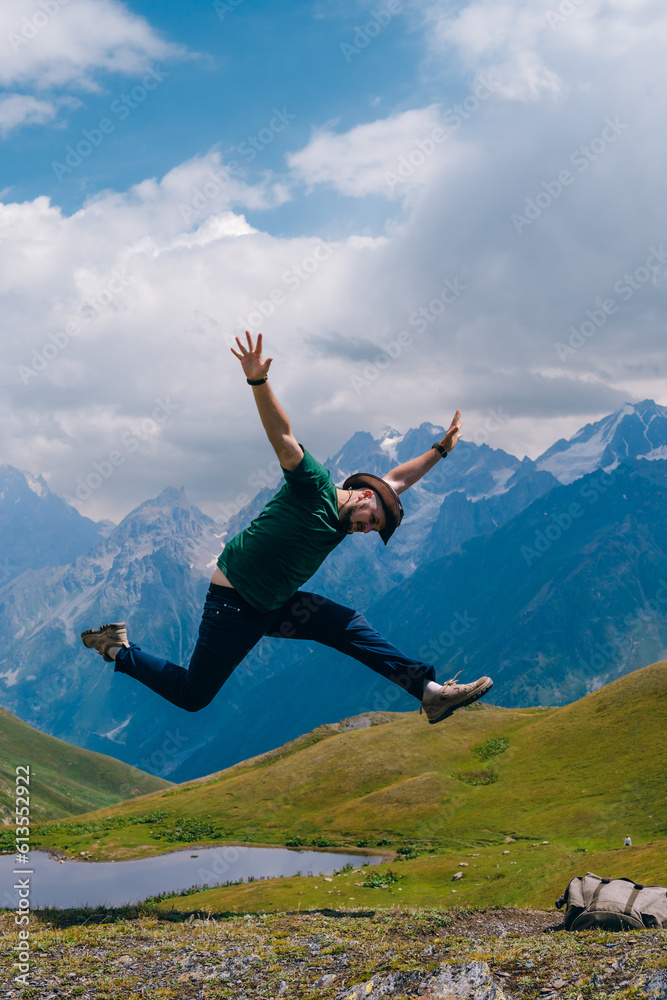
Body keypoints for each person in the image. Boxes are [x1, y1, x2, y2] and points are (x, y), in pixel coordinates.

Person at [81, 332, 493, 725]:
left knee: (348, 626)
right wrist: (257, 379)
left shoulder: (349, 518)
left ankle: (429, 692)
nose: (367, 531)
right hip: (234, 602)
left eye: (374, 529)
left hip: (276, 603)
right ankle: (118, 648)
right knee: (193, 696)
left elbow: (397, 482)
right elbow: (283, 436)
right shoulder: (313, 485)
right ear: (365, 496)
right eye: (373, 523)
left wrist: (439, 450)